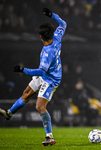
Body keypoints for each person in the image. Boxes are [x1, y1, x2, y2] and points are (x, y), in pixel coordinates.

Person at [0, 8, 66, 146]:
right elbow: (63, 24)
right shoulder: (57, 37)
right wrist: (52, 15)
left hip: (51, 79)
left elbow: (41, 72)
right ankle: (9, 114)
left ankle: (50, 137)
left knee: (39, 106)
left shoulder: (47, 53)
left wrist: (22, 70)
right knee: (26, 94)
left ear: (41, 37)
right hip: (47, 74)